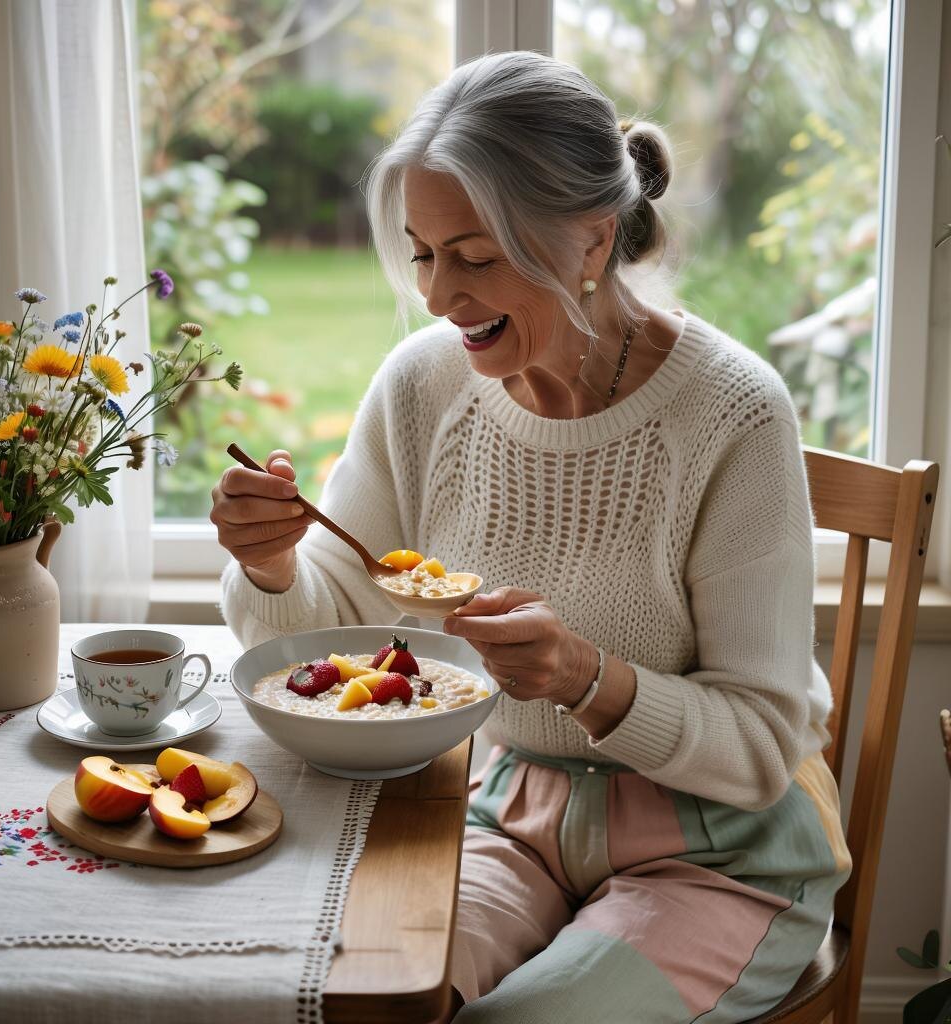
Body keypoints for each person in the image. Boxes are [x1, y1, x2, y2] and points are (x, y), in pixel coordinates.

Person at [212, 50, 850, 1024]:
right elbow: (329, 618)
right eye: (421, 252)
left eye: (473, 255)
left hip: (718, 854)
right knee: (338, 995)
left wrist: (589, 679)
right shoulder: (425, 385)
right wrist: (268, 560)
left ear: (593, 241)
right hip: (502, 812)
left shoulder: (731, 415)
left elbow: (762, 745)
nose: (434, 294)